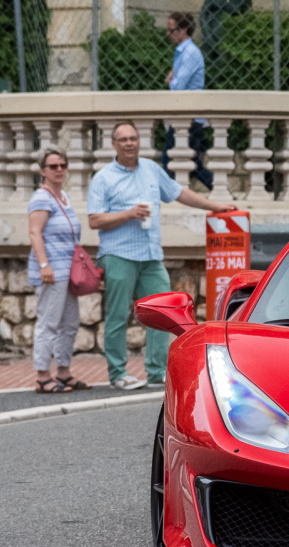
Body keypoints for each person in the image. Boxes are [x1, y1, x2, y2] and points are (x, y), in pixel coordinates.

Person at [87, 120, 236, 390]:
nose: (129, 143)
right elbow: (94, 220)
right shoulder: (103, 178)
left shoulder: (151, 170)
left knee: (164, 314)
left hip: (151, 255)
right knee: (118, 315)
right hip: (118, 254)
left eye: (133, 138)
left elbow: (179, 193)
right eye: (123, 139)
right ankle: (118, 373)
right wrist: (129, 213)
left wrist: (215, 207)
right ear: (113, 144)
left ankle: (156, 371)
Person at [27, 147, 87, 393]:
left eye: (63, 165)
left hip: (67, 271)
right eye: (53, 166)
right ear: (43, 171)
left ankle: (63, 371)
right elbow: (34, 232)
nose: (59, 169)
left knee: (70, 323)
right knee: (49, 323)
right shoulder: (41, 198)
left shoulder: (63, 197)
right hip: (51, 271)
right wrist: (44, 265)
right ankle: (43, 375)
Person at [162, 12, 213, 190]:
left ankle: (220, 189)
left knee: (171, 160)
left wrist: (171, 80)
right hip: (187, 115)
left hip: (189, 116)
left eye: (172, 30)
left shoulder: (190, 53)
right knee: (189, 163)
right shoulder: (184, 52)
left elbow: (178, 86)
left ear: (183, 30)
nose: (169, 34)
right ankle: (220, 189)